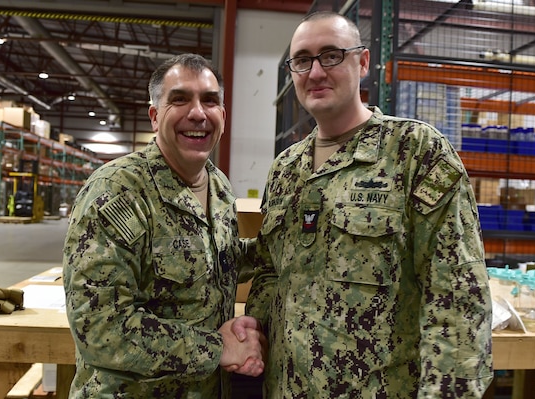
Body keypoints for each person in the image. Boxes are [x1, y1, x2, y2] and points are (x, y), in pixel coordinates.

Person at [243, 11, 493, 398]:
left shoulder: (414, 152)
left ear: (362, 63)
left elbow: (457, 295)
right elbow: (270, 273)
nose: (315, 72)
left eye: (331, 55)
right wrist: (252, 334)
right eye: (302, 60)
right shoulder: (286, 169)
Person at [63, 53, 265, 398]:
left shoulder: (219, 186)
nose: (198, 113)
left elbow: (217, 260)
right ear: (155, 117)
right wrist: (218, 347)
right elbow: (100, 329)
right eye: (180, 99)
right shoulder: (117, 191)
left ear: (223, 116)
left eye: (210, 101)